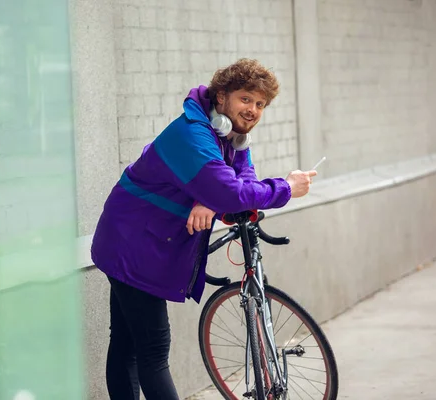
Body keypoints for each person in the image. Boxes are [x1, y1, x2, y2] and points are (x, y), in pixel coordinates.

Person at [91, 58, 316, 399]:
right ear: (222, 97)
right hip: (132, 242)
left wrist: (209, 198)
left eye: (260, 104)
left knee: (127, 342)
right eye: (245, 99)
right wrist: (284, 187)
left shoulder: (230, 136)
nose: (253, 109)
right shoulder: (193, 133)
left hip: (146, 240)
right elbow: (229, 190)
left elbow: (239, 185)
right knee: (152, 349)